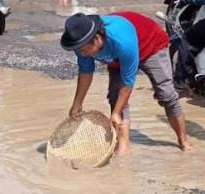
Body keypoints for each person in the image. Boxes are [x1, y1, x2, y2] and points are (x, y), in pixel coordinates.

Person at [61, 11, 192, 154]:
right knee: (115, 97)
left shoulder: (121, 40)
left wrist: (116, 112)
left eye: (85, 50)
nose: (82, 54)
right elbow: (86, 72)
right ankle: (123, 147)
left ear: (97, 38)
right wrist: (77, 103)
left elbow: (128, 81)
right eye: (80, 51)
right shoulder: (81, 44)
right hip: (117, 57)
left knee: (166, 95)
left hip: (150, 46)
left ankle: (183, 140)